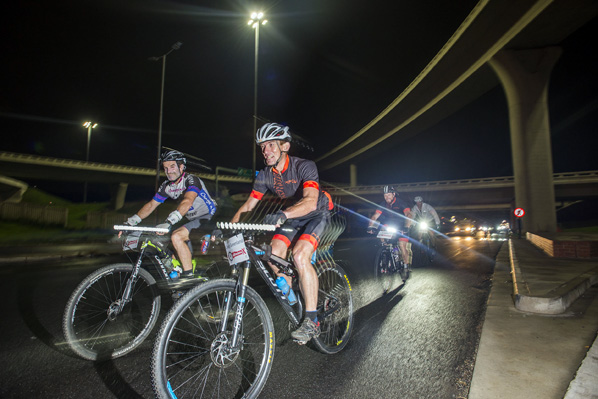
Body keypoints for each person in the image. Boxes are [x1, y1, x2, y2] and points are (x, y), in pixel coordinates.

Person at [231, 122, 333, 344]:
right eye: (262, 147)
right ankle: (294, 295)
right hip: (292, 216)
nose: (265, 151)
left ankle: (312, 321)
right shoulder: (266, 175)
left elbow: (310, 201)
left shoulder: (305, 166)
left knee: (299, 255)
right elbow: (249, 205)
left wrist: (283, 215)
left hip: (317, 212)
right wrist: (230, 226)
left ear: (284, 146)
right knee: (273, 254)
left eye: (270, 145)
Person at [123, 150, 217, 280]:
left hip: (208, 217)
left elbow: (187, 201)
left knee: (177, 236)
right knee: (163, 245)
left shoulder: (191, 180)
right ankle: (180, 276)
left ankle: (188, 278)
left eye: (172, 166)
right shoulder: (167, 186)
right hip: (190, 220)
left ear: (182, 166)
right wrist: (131, 222)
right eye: (165, 168)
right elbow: (151, 205)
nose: (168, 171)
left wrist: (169, 221)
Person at [367, 186, 413, 269]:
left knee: (402, 246)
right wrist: (370, 226)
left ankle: (406, 266)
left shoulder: (401, 202)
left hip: (402, 225)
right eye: (385, 195)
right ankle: (385, 250)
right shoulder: (383, 204)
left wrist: (407, 226)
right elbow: (375, 216)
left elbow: (408, 214)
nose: (386, 197)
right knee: (382, 230)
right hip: (390, 224)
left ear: (393, 194)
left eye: (388, 195)